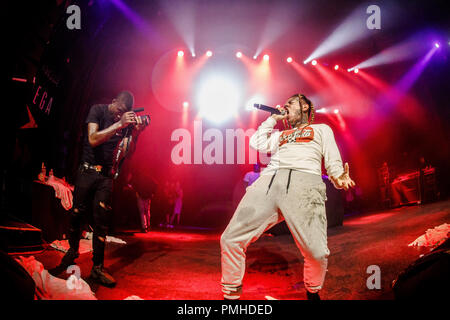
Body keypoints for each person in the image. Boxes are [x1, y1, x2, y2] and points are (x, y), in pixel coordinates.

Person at [220, 93, 355, 300]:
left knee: (317, 253)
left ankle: (312, 292)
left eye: (290, 104)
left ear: (304, 107)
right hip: (269, 182)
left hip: (304, 184)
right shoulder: (280, 135)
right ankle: (230, 297)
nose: (285, 107)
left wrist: (338, 177)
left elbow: (332, 159)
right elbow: (257, 142)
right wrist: (273, 119)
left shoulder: (320, 129)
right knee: (230, 239)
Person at [52, 91, 147, 287]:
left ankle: (97, 268)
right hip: (87, 172)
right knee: (76, 214)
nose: (118, 115)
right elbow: (93, 138)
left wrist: (136, 133)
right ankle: (72, 250)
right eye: (118, 110)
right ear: (113, 103)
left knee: (101, 222)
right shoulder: (98, 111)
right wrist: (119, 123)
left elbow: (127, 155)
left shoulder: (125, 124)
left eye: (123, 113)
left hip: (106, 176)